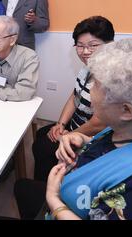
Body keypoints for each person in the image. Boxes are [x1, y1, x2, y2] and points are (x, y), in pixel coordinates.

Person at [45, 39, 132, 220]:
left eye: (97, 85)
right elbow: (114, 150)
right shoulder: (128, 129)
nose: (90, 91)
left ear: (126, 110)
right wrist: (83, 140)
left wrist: (54, 200)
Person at [32, 16, 115, 182]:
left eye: (93, 46)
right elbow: (74, 97)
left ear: (110, 45)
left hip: (93, 136)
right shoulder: (87, 68)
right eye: (80, 46)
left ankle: (48, 192)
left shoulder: (112, 76)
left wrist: (68, 135)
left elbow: (98, 123)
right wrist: (60, 124)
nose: (85, 51)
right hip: (75, 125)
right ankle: (45, 183)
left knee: (44, 147)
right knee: (42, 134)